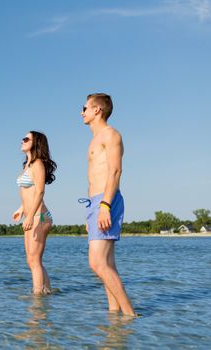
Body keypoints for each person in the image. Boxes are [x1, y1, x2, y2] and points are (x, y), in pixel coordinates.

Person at [81, 93, 135, 316]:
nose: (82, 112)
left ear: (97, 110)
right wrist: (90, 213)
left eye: (84, 107)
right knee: (107, 264)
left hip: (106, 200)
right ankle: (115, 318)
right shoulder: (94, 139)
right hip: (96, 202)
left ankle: (131, 314)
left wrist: (105, 205)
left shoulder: (110, 134)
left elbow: (115, 170)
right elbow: (93, 177)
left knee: (97, 263)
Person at [13, 131, 57, 295]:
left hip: (39, 216)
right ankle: (46, 292)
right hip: (31, 214)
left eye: (26, 139)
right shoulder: (28, 164)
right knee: (31, 260)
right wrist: (21, 209)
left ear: (36, 143)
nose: (22, 141)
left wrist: (30, 215)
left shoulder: (38, 163)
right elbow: (28, 192)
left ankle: (37, 298)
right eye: (22, 138)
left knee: (34, 259)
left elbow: (39, 192)